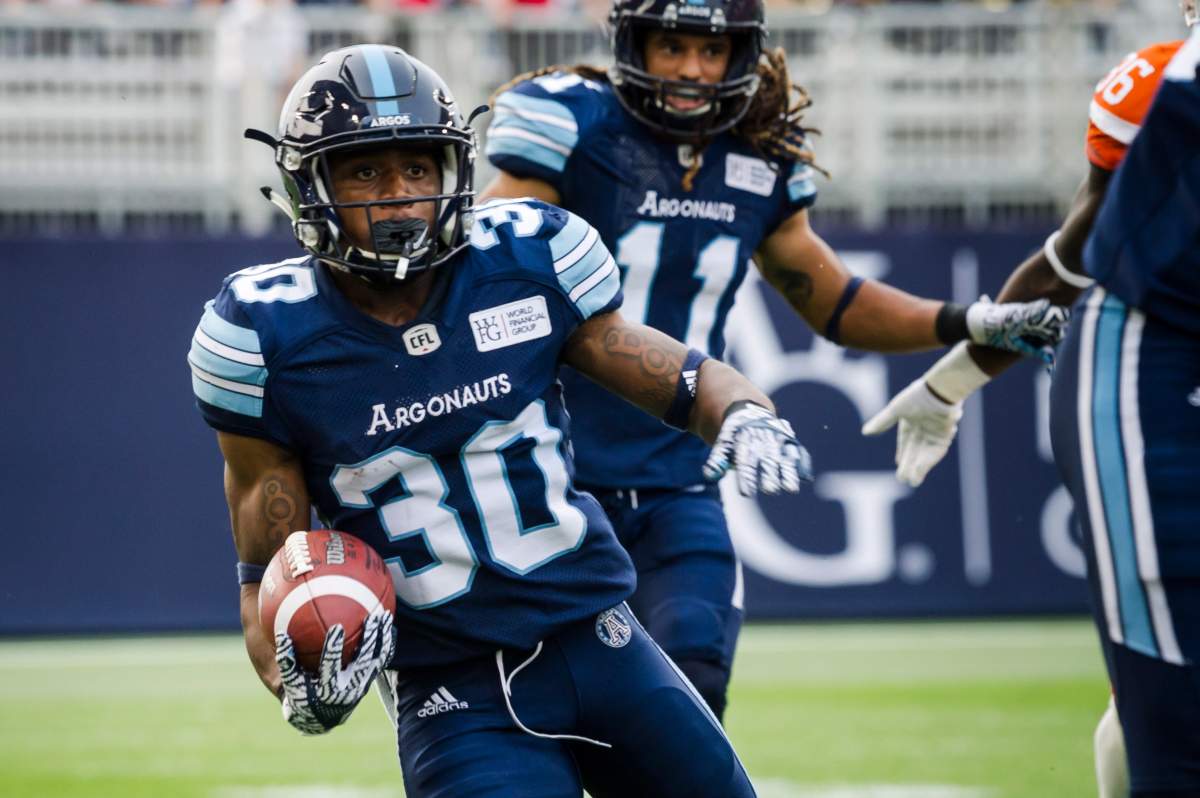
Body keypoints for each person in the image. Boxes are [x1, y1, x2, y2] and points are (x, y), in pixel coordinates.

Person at [191, 43, 818, 797]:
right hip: (451, 692)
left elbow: (666, 371)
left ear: (453, 171)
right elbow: (265, 563)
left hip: (600, 639)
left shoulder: (524, 256)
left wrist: (742, 411)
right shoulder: (263, 335)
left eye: (418, 168)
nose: (398, 195)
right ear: (310, 185)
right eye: (365, 171)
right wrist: (292, 679)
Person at [480, 0, 1070, 721]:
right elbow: (488, 274)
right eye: (672, 46)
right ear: (634, 42)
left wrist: (968, 319)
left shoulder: (759, 152)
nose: (693, 69)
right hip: (553, 481)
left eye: (713, 50)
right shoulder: (568, 121)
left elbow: (834, 301)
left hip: (677, 484)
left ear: (743, 54)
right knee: (542, 716)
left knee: (691, 690)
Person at [863, 5, 1197, 795]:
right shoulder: (1158, 87)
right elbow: (1074, 255)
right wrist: (953, 377)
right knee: (1169, 713)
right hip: (1166, 375)